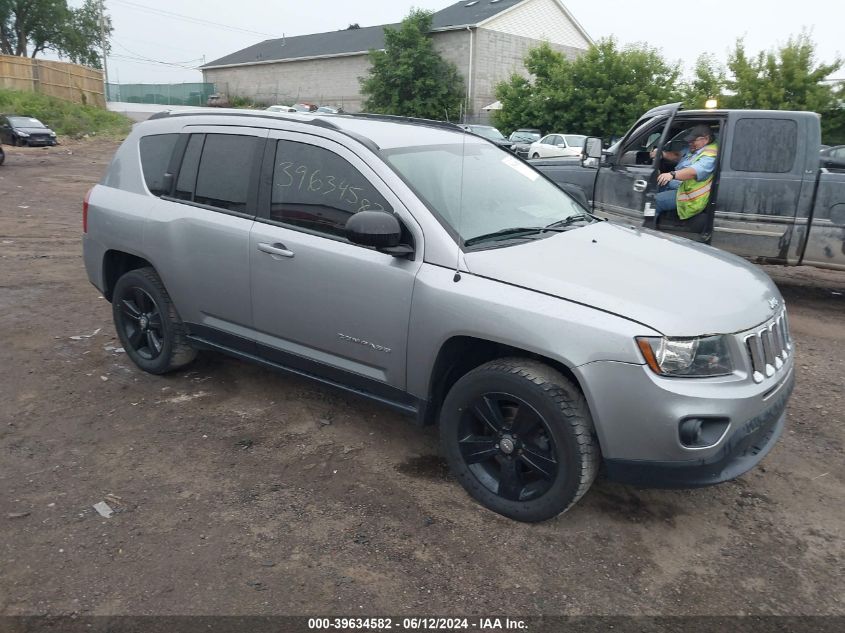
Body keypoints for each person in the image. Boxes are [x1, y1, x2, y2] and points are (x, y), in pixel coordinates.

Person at [654, 125, 718, 221]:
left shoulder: (710, 155)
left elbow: (694, 171)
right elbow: (678, 155)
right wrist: (661, 153)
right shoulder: (696, 148)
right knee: (660, 183)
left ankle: (649, 231)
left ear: (705, 139)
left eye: (693, 141)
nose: (690, 143)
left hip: (691, 196)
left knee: (654, 201)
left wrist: (672, 174)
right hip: (684, 186)